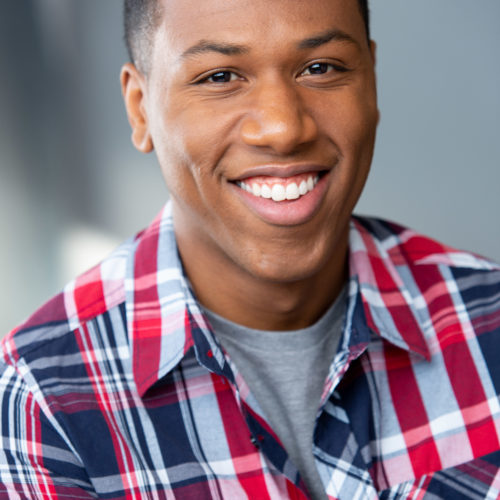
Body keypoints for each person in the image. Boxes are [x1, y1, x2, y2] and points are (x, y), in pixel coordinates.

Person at [0, 0, 499, 498]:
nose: (284, 129)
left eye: (321, 68)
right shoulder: (42, 400)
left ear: (371, 80)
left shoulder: (490, 319)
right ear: (140, 107)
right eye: (219, 76)